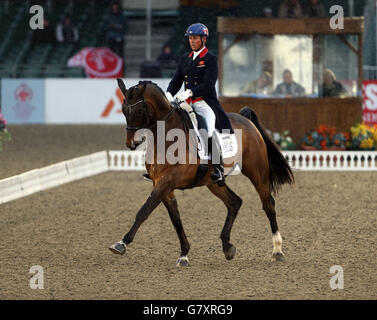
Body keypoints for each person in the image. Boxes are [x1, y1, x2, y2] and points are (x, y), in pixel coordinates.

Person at [166, 23, 234, 183]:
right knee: (169, 124)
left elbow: (209, 84)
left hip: (204, 104)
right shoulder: (185, 59)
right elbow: (176, 81)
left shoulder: (210, 59)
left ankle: (218, 168)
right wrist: (169, 93)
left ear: (203, 39)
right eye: (190, 38)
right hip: (186, 104)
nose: (192, 41)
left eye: (195, 38)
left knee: (207, 130)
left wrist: (190, 92)